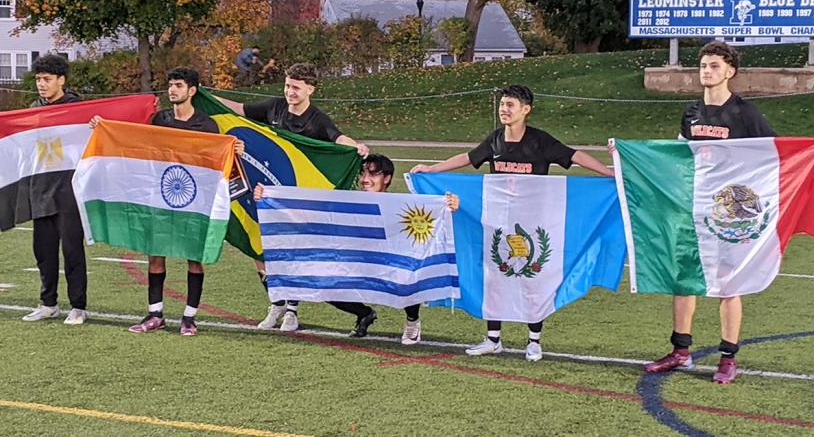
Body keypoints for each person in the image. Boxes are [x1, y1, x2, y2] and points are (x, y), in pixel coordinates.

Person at [411, 84, 613, 361]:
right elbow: (469, 158)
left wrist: (606, 172)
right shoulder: (495, 140)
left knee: (533, 278)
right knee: (494, 276)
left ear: (526, 110)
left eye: (511, 105)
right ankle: (493, 339)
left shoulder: (540, 141)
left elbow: (573, 155)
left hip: (535, 223)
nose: (504, 110)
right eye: (502, 104)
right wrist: (431, 169)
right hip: (497, 221)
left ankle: (534, 342)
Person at [642, 40, 775, 384]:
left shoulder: (746, 113)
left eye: (714, 65)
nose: (707, 71)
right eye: (703, 65)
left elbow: (773, 154)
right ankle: (680, 352)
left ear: (730, 71)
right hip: (694, 206)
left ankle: (729, 357)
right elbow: (678, 155)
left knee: (730, 283)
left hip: (730, 212)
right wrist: (625, 154)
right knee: (683, 277)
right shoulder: (691, 112)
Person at [90, 67, 244, 336]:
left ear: (192, 91)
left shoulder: (206, 125)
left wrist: (235, 150)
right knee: (155, 253)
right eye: (170, 85)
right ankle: (155, 314)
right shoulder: (160, 119)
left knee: (194, 258)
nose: (172, 89)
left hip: (194, 201)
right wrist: (104, 128)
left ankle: (189, 318)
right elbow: (137, 142)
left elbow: (217, 160)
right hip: (159, 197)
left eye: (179, 85)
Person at [216, 62, 369, 332]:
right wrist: (205, 96)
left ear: (310, 89)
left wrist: (356, 146)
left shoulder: (317, 119)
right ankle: (275, 304)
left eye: (296, 87)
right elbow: (238, 110)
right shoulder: (275, 107)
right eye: (287, 85)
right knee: (259, 249)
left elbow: (337, 138)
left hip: (298, 197)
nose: (290, 92)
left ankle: (292, 311)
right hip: (267, 192)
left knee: (292, 251)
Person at [253, 154, 459, 343]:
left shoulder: (398, 204)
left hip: (387, 264)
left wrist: (448, 204)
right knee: (326, 284)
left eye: (373, 173)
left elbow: (427, 216)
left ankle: (412, 321)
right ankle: (364, 313)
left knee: (405, 275)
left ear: (387, 179)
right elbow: (310, 213)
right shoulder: (347, 201)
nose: (365, 178)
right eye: (363, 173)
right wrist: (268, 197)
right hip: (358, 262)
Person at [0, 54, 89, 325]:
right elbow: (9, 131)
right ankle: (48, 303)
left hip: (69, 190)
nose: (41, 84)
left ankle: (78, 306)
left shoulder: (78, 109)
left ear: (62, 80)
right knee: (44, 251)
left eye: (47, 79)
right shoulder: (34, 108)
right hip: (41, 189)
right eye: (38, 79)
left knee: (72, 250)